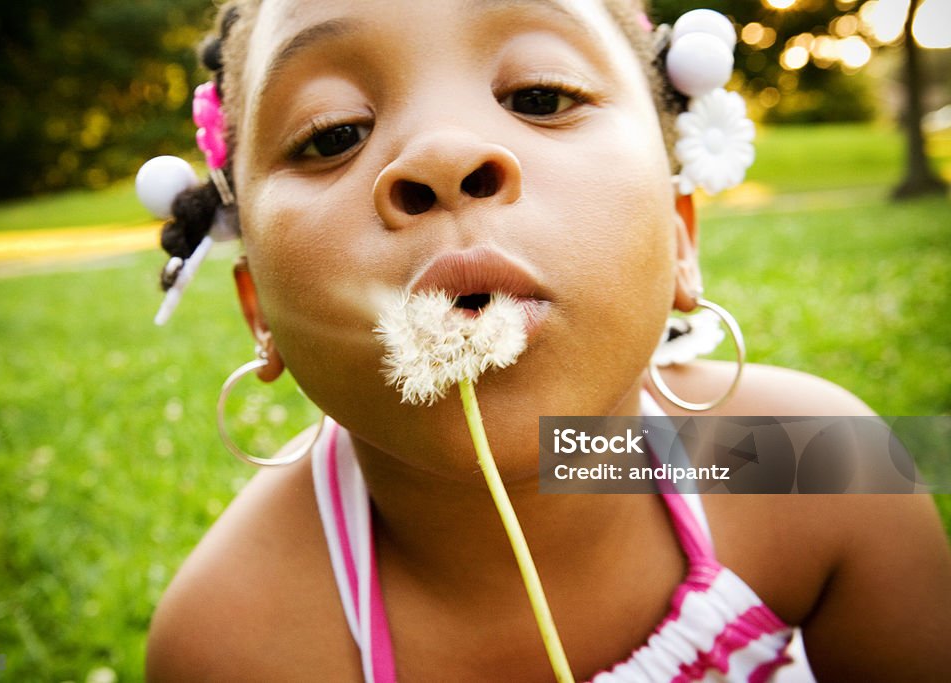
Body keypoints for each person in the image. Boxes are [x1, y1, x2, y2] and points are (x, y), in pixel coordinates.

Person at [143, 0, 951, 680]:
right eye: (332, 134)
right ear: (260, 312)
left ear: (679, 239)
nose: (444, 156)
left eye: (538, 94)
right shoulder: (231, 643)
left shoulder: (820, 466)